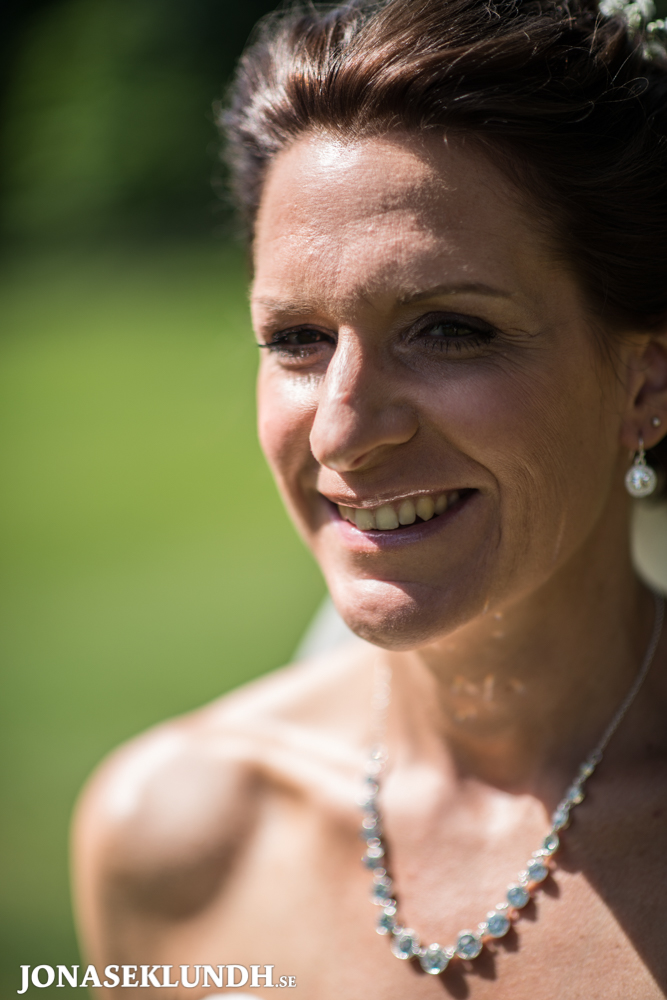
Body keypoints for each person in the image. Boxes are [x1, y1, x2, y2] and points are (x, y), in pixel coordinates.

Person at [72, 0, 667, 995]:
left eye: (450, 329)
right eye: (297, 339)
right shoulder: (178, 840)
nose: (342, 432)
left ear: (646, 380)